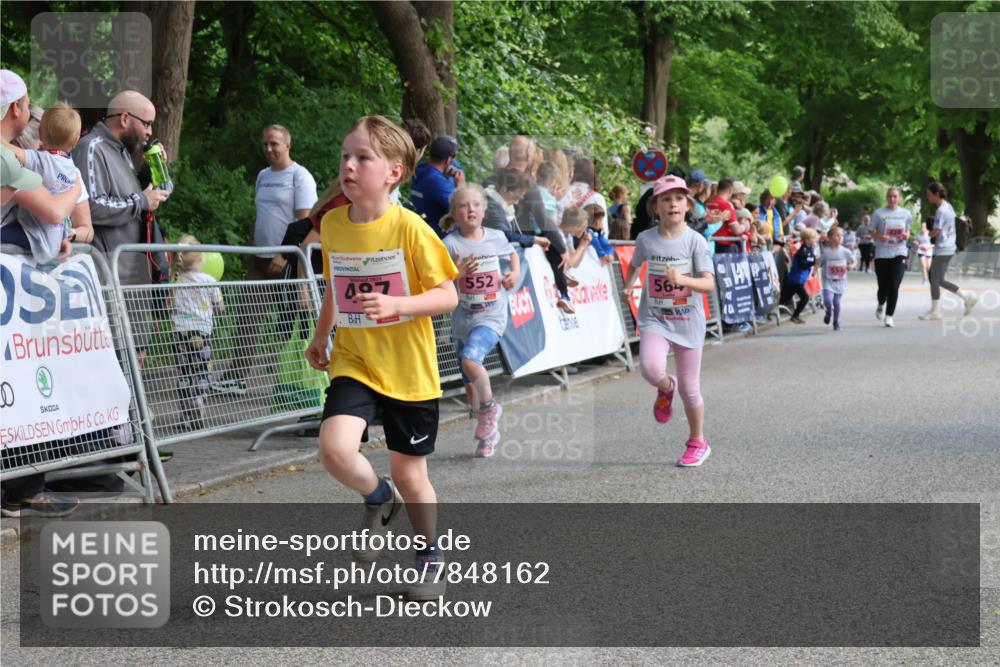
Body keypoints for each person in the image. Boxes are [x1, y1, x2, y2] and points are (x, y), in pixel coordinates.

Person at [305, 115, 458, 602]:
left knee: (412, 475)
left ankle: (430, 558)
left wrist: (399, 305)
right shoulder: (332, 223)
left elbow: (448, 295)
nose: (348, 165)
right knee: (334, 449)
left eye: (362, 157)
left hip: (409, 370)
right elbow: (337, 285)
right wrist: (320, 334)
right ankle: (377, 497)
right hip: (355, 358)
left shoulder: (411, 228)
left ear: (393, 171)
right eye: (345, 156)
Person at [0, 71, 80, 518]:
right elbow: (52, 209)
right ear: (17, 108)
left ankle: (21, 489)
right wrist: (73, 190)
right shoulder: (7, 159)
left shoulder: (14, 156)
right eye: (28, 101)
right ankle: (22, 491)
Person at [622, 175, 716, 467]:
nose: (673, 203)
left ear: (687, 205)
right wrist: (628, 286)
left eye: (678, 198)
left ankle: (698, 442)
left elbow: (708, 285)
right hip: (656, 318)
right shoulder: (646, 239)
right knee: (650, 369)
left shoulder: (695, 241)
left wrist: (683, 279)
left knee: (690, 388)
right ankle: (665, 387)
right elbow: (635, 263)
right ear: (656, 207)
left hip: (688, 321)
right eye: (666, 199)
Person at [441, 185, 519, 458]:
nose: (470, 209)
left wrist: (513, 276)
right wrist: (457, 273)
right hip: (464, 318)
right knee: (470, 385)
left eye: (476, 205)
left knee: (471, 360)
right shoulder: (449, 244)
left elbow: (512, 257)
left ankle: (490, 411)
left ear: (484, 212)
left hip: (492, 314)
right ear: (454, 213)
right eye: (464, 205)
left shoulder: (496, 237)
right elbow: (439, 281)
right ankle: (487, 433)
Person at [5, 102, 92, 263]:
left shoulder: (39, 160)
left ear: (41, 134)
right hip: (54, 240)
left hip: (33, 236)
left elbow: (11, 151)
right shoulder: (73, 172)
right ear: (75, 140)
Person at [167, 235, 224, 429]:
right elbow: (220, 307)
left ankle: (184, 416)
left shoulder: (175, 281)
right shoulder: (209, 280)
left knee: (184, 374)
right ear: (201, 257)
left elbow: (169, 306)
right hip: (202, 334)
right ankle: (198, 400)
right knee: (203, 372)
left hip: (179, 334)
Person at [253, 124, 318, 277]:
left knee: (288, 301)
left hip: (286, 258)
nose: (268, 149)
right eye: (265, 144)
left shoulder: (300, 175)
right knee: (253, 301)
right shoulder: (262, 175)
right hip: (259, 255)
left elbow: (306, 221)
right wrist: (252, 248)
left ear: (288, 145)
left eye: (274, 144)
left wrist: (284, 254)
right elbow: (260, 214)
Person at [919, 181, 977, 320]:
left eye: (929, 195)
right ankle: (966, 297)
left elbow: (937, 232)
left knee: (934, 279)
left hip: (944, 248)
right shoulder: (948, 207)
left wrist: (928, 232)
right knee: (938, 279)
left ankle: (935, 311)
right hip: (949, 247)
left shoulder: (940, 210)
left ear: (936, 194)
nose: (927, 197)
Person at [870, 187, 912, 328]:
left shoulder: (906, 213)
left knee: (894, 285)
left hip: (899, 252)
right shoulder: (878, 213)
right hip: (882, 253)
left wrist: (907, 235)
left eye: (895, 196)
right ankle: (881, 303)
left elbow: (908, 231)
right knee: (883, 287)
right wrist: (880, 237)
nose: (892, 199)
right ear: (886, 197)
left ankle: (889, 316)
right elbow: (871, 230)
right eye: (890, 196)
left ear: (899, 198)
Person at [410, 134, 465, 237]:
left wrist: (447, 175)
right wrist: (461, 186)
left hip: (425, 230)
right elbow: (462, 212)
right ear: (448, 159)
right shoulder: (437, 182)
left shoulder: (420, 170)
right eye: (454, 157)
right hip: (441, 238)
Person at [780, 227, 819, 324]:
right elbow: (803, 264)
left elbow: (810, 261)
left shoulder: (810, 249)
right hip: (796, 279)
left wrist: (814, 263)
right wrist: (813, 262)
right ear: (807, 240)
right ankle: (795, 316)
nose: (815, 240)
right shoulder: (803, 250)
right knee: (805, 298)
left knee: (785, 298)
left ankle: (773, 310)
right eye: (813, 238)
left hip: (799, 279)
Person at [819, 226, 855, 331]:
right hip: (828, 281)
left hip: (840, 281)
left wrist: (851, 266)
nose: (840, 237)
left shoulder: (846, 251)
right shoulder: (825, 252)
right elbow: (819, 263)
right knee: (827, 300)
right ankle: (829, 312)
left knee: (837, 302)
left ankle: (836, 322)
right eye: (837, 235)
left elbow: (853, 261)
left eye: (841, 235)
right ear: (829, 238)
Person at [708, 178, 745, 254]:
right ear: (730, 190)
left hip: (710, 243)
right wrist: (744, 226)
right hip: (725, 245)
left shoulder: (708, 202)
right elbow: (736, 230)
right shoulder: (726, 205)